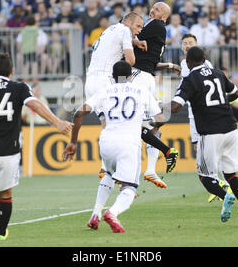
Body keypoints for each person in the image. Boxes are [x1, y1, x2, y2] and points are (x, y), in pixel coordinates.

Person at [0, 53, 73, 240]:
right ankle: (1, 232)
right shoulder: (19, 87)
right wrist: (56, 122)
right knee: (5, 193)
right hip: (8, 151)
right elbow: (34, 104)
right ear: (12, 71)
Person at [63, 61, 172, 233]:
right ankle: (112, 213)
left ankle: (95, 213)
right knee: (129, 188)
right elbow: (161, 118)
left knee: (108, 174)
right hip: (128, 143)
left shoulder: (105, 91)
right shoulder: (141, 91)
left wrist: (73, 142)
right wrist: (147, 125)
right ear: (130, 76)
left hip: (106, 142)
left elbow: (78, 113)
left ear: (112, 77)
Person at [168, 46, 238, 227]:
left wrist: (157, 107)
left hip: (210, 132)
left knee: (205, 177)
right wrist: (221, 103)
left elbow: (176, 106)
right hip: (230, 129)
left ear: (187, 61)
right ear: (205, 57)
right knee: (231, 174)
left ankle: (226, 196)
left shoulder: (190, 78)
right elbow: (235, 93)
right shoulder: (218, 73)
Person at [85, 12, 143, 176]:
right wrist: (133, 47)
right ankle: (114, 168)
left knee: (106, 124)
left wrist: (135, 42)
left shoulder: (109, 30)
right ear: (129, 23)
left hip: (90, 82)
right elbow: (130, 61)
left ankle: (106, 167)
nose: (139, 30)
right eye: (138, 26)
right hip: (105, 80)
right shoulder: (125, 31)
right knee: (118, 124)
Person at [131, 2, 180, 188]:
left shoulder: (155, 25)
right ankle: (151, 168)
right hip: (147, 78)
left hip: (138, 79)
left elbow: (129, 37)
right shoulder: (159, 30)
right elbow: (151, 61)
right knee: (152, 124)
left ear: (164, 17)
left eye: (157, 9)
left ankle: (123, 176)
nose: (152, 10)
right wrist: (169, 65)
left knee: (131, 125)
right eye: (152, 7)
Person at [180, 33, 230, 202]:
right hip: (192, 114)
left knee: (210, 151)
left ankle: (221, 183)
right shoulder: (183, 63)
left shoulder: (204, 64)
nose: (187, 45)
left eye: (190, 42)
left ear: (196, 44)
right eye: (185, 43)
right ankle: (217, 182)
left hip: (204, 114)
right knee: (199, 149)